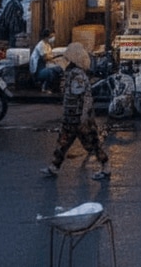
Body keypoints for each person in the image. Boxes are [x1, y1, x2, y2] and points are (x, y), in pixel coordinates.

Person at [40, 42, 112, 181]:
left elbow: (84, 98)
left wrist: (84, 116)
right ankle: (54, 167)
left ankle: (106, 166)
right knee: (63, 142)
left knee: (92, 144)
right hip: (72, 117)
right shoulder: (73, 72)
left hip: (79, 118)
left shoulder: (77, 74)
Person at [29, 28, 64, 94]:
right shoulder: (41, 45)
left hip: (45, 66)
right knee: (51, 72)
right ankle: (45, 88)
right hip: (38, 71)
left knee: (59, 69)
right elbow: (45, 58)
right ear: (46, 37)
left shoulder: (48, 45)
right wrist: (53, 57)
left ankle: (56, 88)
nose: (52, 38)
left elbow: (50, 56)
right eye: (51, 37)